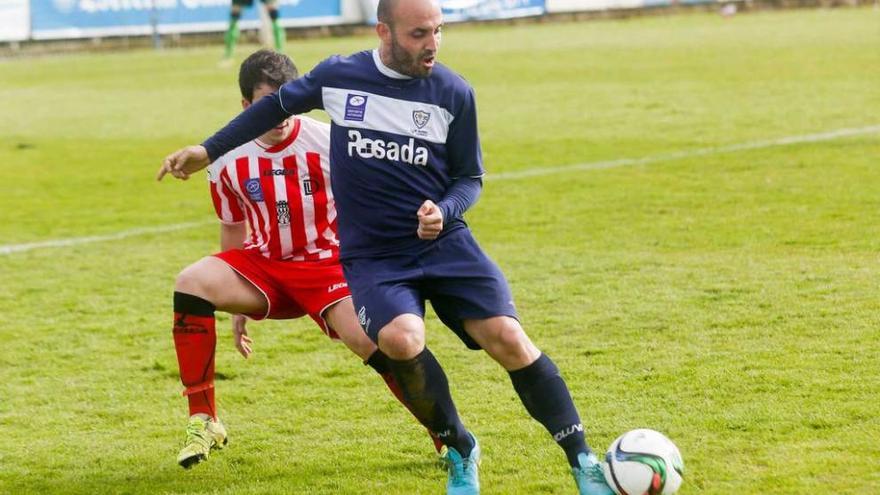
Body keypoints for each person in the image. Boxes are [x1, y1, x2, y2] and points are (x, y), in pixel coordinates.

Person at [159, 1, 614, 493]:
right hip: (375, 256)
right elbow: (274, 107)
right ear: (384, 32)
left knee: (507, 337)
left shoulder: (455, 92)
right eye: (420, 34)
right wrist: (207, 150)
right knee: (399, 341)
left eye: (438, 32)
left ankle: (582, 459)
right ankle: (458, 447)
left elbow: (469, 179)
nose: (432, 44)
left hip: (444, 244)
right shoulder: (340, 76)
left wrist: (446, 209)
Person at [157, 48, 443, 469]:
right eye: (265, 105)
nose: (279, 115)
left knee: (374, 341)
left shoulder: (330, 141)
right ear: (244, 107)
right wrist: (235, 306)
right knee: (191, 282)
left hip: (329, 266)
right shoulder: (226, 157)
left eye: (285, 102)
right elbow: (234, 228)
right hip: (265, 268)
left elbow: (374, 203)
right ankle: (204, 419)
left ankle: (447, 435)